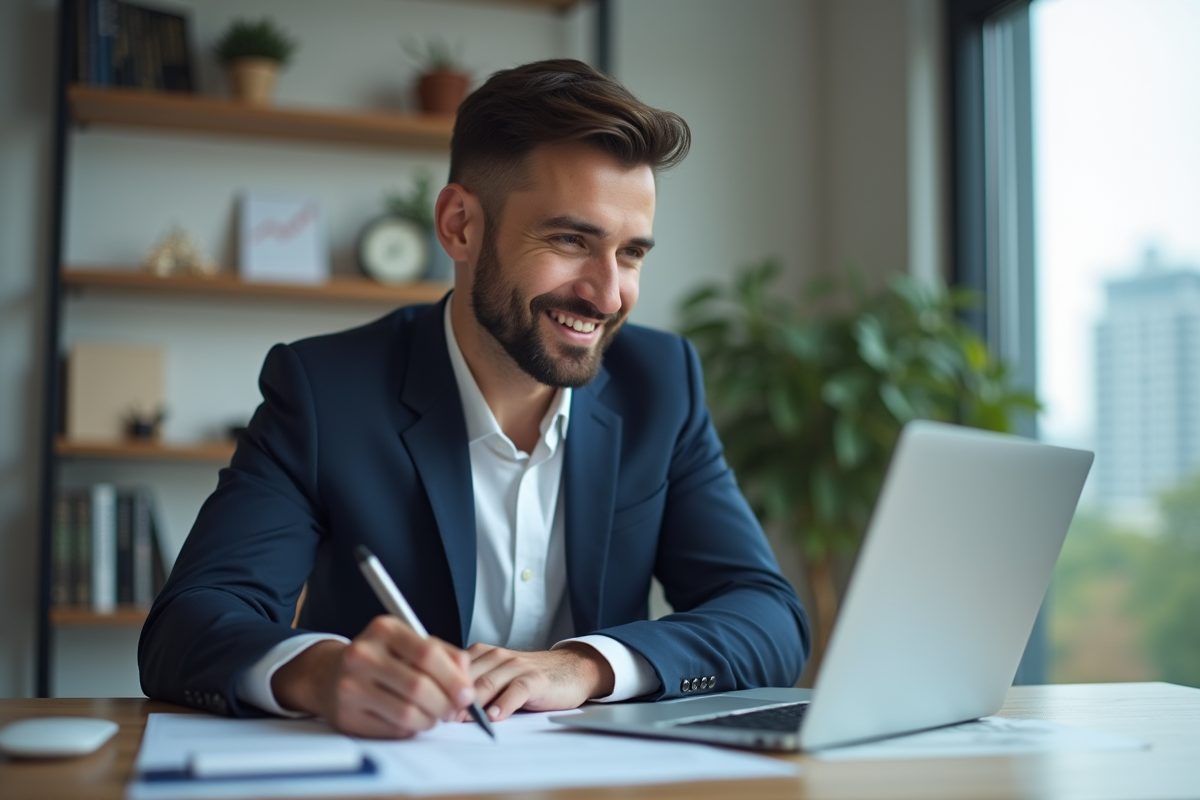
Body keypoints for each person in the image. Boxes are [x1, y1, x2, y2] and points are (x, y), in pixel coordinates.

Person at [139, 59, 810, 739]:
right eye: (571, 240)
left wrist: (584, 667)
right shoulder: (323, 390)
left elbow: (767, 615)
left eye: (630, 254)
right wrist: (319, 672)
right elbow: (189, 622)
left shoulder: (661, 383)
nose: (608, 295)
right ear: (460, 225)